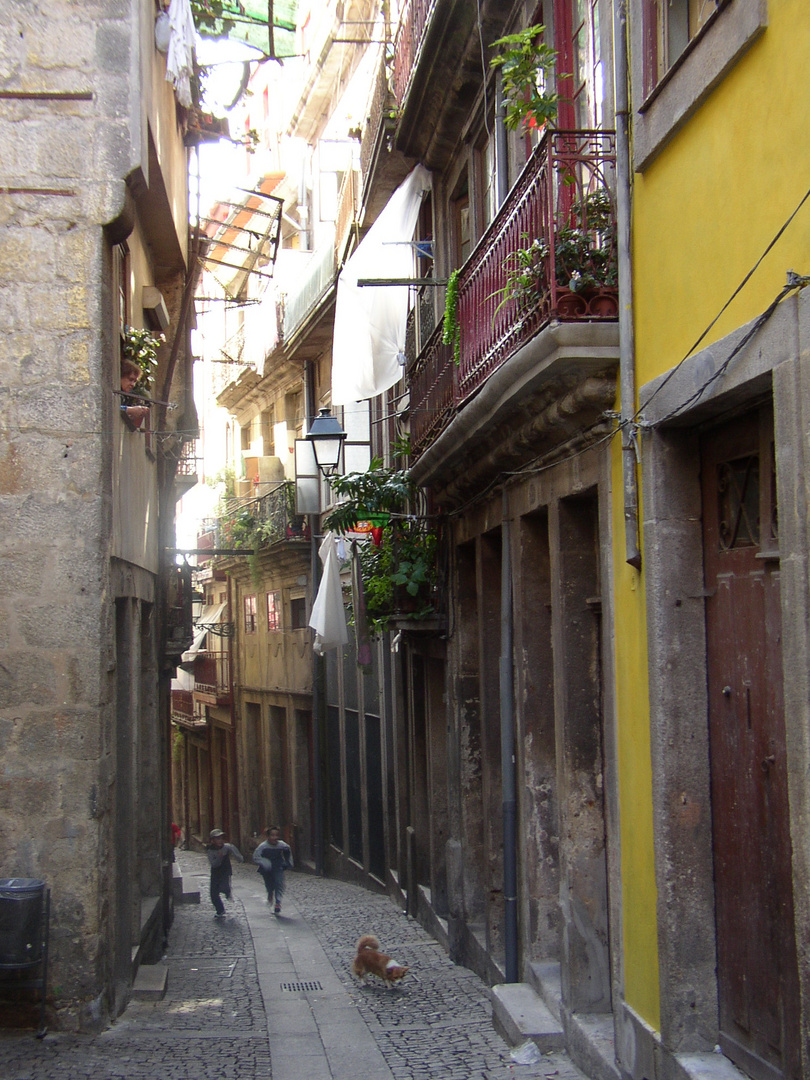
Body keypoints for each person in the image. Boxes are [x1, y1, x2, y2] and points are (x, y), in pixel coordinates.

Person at [252, 826, 293, 914]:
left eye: (276, 835)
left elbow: (288, 852)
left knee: (279, 883)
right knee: (269, 885)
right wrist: (264, 862)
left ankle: (278, 902)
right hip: (267, 869)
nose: (275, 838)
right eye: (272, 835)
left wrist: (288, 863)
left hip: (278, 866)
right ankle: (270, 893)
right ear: (268, 836)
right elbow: (256, 857)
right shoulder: (263, 847)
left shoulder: (282, 845)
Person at [206, 828, 243, 919]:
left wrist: (239, 858)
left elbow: (236, 854)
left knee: (224, 886)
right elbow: (214, 864)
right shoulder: (210, 851)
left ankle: (227, 892)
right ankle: (220, 910)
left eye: (221, 838)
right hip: (215, 872)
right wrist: (219, 857)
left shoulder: (227, 847)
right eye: (217, 838)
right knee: (213, 894)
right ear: (213, 840)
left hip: (225, 871)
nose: (220, 840)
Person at [120, 359, 150, 429]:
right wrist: (129, 410)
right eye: (130, 379)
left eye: (135, 381)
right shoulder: (114, 392)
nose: (133, 384)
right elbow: (112, 408)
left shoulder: (125, 396)